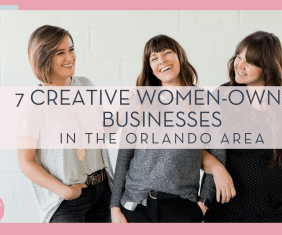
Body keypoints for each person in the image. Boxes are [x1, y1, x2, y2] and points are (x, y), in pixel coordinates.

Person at [110, 35, 232, 223]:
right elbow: (124, 154)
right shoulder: (140, 100)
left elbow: (218, 154)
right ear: (150, 68)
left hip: (182, 208)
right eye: (154, 58)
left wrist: (202, 205)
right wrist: (115, 207)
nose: (162, 61)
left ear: (179, 57)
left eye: (167, 53)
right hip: (135, 207)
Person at [203, 31, 282, 223]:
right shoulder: (222, 96)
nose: (240, 65)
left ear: (268, 67)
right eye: (238, 57)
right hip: (223, 212)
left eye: (250, 62)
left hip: (272, 214)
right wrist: (217, 169)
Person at [17, 25, 113, 223]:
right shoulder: (33, 103)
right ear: (43, 58)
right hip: (65, 201)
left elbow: (101, 131)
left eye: (71, 49)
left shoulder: (86, 85)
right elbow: (25, 162)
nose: (70, 57)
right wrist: (65, 192)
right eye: (60, 52)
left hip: (103, 191)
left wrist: (127, 111)